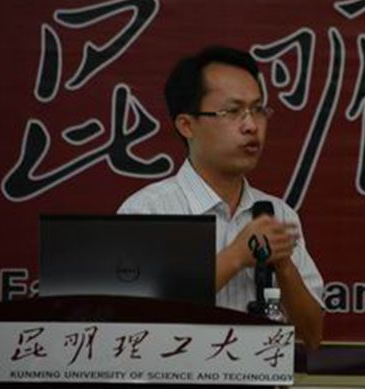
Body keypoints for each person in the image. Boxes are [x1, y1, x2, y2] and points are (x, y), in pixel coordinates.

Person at [117, 45, 324, 349]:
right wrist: (236, 257)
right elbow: (134, 325)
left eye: (257, 110)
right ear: (187, 125)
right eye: (232, 111)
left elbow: (312, 337)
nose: (251, 126)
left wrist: (284, 266)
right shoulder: (147, 211)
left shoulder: (279, 214)